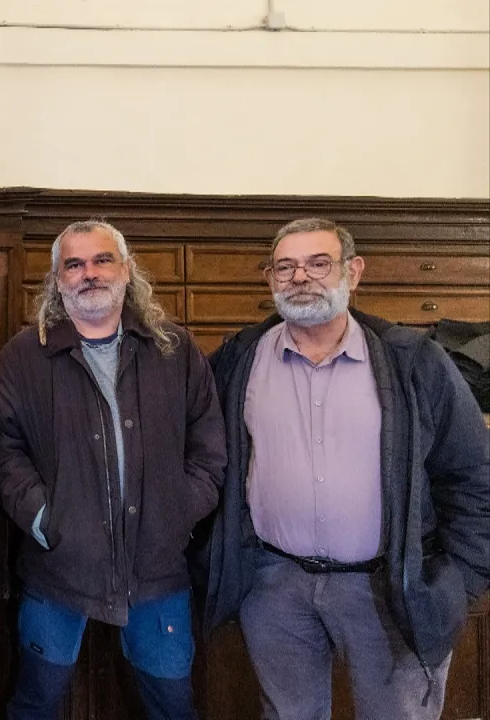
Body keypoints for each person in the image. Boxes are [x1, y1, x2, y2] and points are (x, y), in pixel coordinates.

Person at [196, 217, 490, 719]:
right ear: (269, 279)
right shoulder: (239, 360)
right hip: (275, 585)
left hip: (388, 589)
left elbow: (470, 477)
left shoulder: (413, 362)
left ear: (353, 272)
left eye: (318, 263)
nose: (299, 277)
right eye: (284, 267)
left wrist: (457, 584)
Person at [0, 220, 226, 719]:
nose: (88, 273)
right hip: (60, 569)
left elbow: (209, 449)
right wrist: (43, 519)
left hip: (157, 571)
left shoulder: (173, 351)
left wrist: (178, 510)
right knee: (36, 703)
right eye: (73, 264)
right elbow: (3, 449)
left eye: (101, 260)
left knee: (174, 707)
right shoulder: (24, 357)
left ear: (127, 269)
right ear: (56, 279)